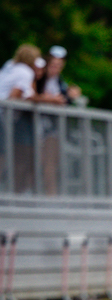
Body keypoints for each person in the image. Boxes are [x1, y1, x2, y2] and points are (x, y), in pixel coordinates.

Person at [33, 47, 84, 195]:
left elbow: (63, 100)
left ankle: (51, 196)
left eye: (59, 65)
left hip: (51, 129)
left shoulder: (60, 82)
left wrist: (70, 96)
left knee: (51, 163)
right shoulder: (38, 78)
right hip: (34, 125)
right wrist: (49, 99)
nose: (56, 68)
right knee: (31, 163)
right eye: (53, 65)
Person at [0, 44, 42, 192]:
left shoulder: (10, 65)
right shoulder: (25, 72)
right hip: (2, 116)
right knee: (3, 156)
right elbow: (15, 94)